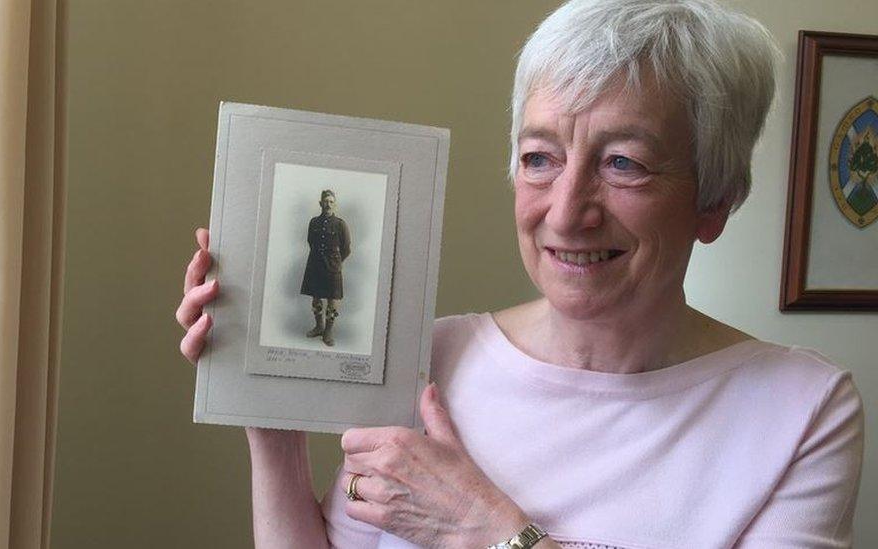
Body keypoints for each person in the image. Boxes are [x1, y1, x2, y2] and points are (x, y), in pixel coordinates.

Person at [174, 0, 865, 547]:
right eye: (540, 157)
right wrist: (269, 413)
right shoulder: (426, 361)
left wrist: (490, 531)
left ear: (714, 199)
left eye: (622, 162)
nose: (566, 214)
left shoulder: (801, 410)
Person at [300, 189, 351, 346]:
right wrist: (319, 257)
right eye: (325, 201)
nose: (328, 204)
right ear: (320, 203)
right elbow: (311, 241)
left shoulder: (341, 224)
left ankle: (328, 331)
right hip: (315, 264)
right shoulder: (314, 222)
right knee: (316, 297)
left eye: (331, 201)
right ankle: (319, 326)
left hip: (333, 267)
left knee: (332, 299)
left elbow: (347, 248)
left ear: (334, 204)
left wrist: (336, 261)